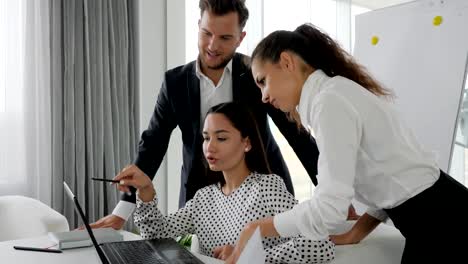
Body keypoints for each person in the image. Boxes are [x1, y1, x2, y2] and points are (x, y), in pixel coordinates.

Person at [226, 23, 468, 264]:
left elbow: (330, 209)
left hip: (442, 222)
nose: (264, 96)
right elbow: (388, 178)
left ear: (287, 62)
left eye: (263, 81)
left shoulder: (329, 103)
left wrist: (257, 228)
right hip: (438, 213)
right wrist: (356, 232)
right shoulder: (334, 94)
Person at [89, 0, 323, 230]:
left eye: (225, 38)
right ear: (198, 24)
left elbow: (296, 134)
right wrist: (123, 211)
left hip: (260, 193)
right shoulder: (175, 83)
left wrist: (329, 193)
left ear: (240, 38)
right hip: (200, 197)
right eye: (207, 33)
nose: (212, 45)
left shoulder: (256, 74)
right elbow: (153, 144)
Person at [114, 102, 335, 263]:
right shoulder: (204, 198)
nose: (210, 147)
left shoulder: (267, 188)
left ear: (246, 143)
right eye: (206, 137)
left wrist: (247, 258)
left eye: (221, 138)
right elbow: (155, 237)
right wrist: (145, 189)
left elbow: (318, 244)